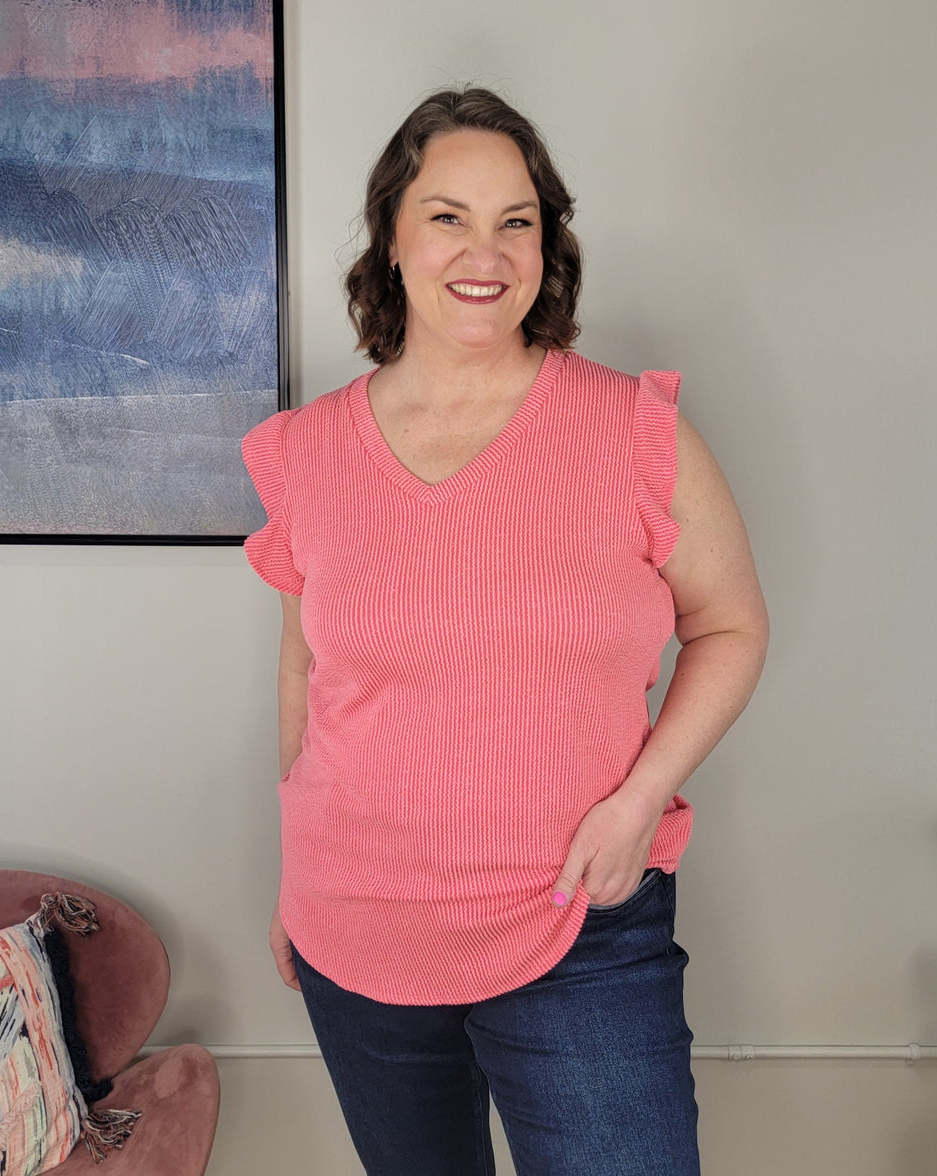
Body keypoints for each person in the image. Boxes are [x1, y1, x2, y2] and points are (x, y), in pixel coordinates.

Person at [242, 86, 768, 1176]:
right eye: (447, 215)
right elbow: (305, 668)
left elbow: (729, 626)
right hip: (358, 926)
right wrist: (297, 877)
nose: (484, 250)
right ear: (391, 235)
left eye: (515, 220)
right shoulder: (310, 453)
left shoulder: (634, 429)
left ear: (547, 243)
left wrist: (636, 803)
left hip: (581, 918)